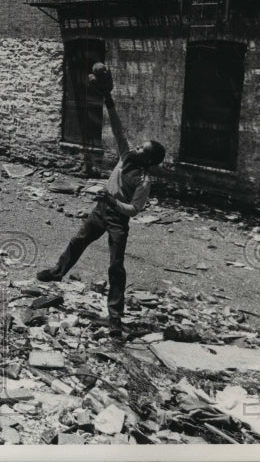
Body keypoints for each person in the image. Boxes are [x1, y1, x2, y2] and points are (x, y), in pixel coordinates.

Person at [36, 82, 166, 340]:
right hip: (101, 210)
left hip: (118, 218)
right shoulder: (126, 156)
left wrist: (113, 200)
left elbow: (134, 210)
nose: (137, 148)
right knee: (78, 240)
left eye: (143, 149)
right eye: (139, 145)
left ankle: (115, 320)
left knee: (116, 267)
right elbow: (118, 129)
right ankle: (57, 273)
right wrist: (108, 98)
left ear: (148, 160)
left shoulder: (143, 181)